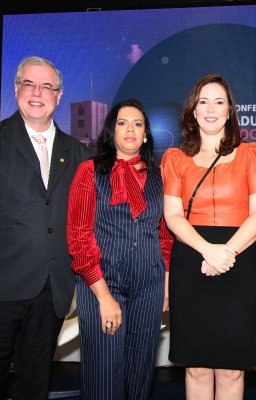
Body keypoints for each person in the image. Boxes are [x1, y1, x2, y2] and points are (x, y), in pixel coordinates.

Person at [161, 74, 256, 400]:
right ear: (193, 111)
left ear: (229, 111)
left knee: (231, 368)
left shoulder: (253, 155)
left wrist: (227, 252)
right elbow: (173, 216)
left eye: (219, 102)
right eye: (203, 101)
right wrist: (208, 250)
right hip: (192, 262)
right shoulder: (175, 159)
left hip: (240, 263)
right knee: (195, 366)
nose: (211, 109)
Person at [67, 98, 173, 400]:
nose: (130, 129)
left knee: (139, 376)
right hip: (102, 282)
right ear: (111, 130)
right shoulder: (89, 171)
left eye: (138, 124)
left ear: (146, 134)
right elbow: (78, 236)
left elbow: (165, 237)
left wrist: (164, 286)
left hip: (149, 285)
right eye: (123, 123)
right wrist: (103, 297)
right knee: (103, 375)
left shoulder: (159, 175)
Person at [0, 56, 90, 400]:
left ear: (59, 94)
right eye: (29, 84)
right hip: (3, 285)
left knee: (34, 382)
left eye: (46, 86)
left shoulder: (79, 153)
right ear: (16, 89)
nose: (37, 93)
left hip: (51, 289)